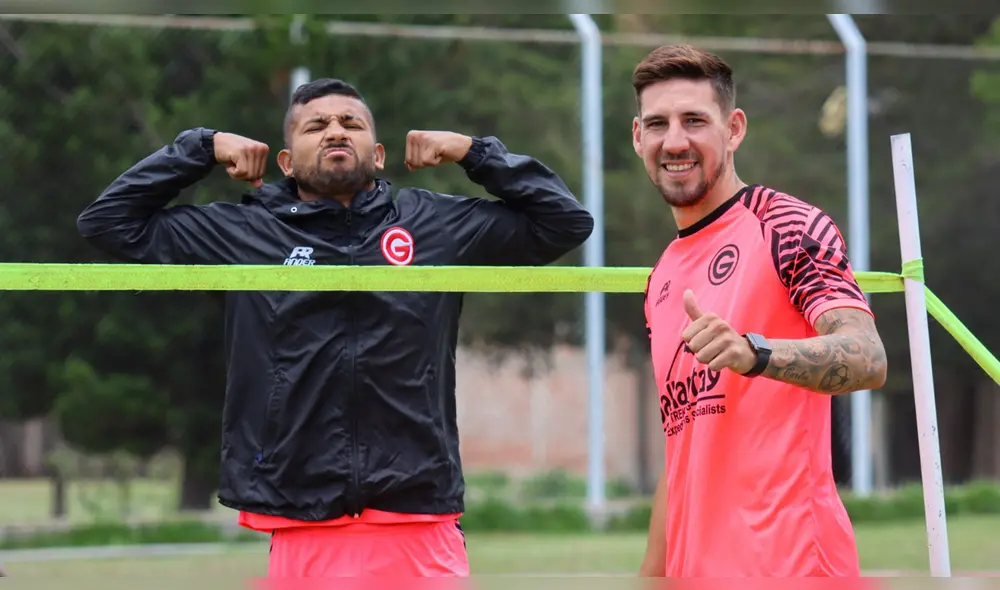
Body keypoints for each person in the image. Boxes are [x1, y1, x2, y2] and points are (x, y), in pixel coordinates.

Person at [76, 78, 594, 578]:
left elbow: (564, 223)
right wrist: (202, 147)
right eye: (315, 125)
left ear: (380, 153)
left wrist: (472, 151)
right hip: (301, 517)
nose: (335, 131)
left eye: (351, 122)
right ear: (285, 161)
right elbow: (108, 223)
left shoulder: (433, 223)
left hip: (418, 514)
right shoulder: (244, 231)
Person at [632, 45, 888, 577]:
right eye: (658, 123)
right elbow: (682, 452)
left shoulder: (786, 225)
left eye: (695, 121)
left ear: (734, 129)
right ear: (638, 138)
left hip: (790, 569)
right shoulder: (661, 277)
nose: (674, 140)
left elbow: (867, 356)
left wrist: (756, 352)